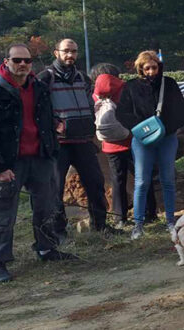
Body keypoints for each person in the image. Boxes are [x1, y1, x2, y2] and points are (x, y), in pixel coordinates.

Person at [0, 44, 75, 283]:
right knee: (3, 213)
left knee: (46, 207)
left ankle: (47, 248)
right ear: (6, 61)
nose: (22, 64)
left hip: (40, 158)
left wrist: (53, 136)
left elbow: (45, 119)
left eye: (27, 61)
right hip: (9, 162)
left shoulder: (40, 88)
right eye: (17, 60)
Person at [37, 38, 112, 238]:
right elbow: (37, 110)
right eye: (66, 51)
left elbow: (89, 104)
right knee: (56, 189)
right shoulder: (45, 78)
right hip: (59, 143)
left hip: (83, 140)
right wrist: (55, 125)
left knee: (96, 183)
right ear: (56, 53)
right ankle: (59, 231)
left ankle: (100, 225)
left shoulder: (82, 78)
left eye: (74, 51)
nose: (70, 55)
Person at [117, 51, 184, 239]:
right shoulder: (131, 87)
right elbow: (122, 112)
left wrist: (167, 128)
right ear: (140, 68)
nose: (151, 71)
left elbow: (181, 109)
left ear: (159, 66)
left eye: (154, 67)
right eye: (146, 68)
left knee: (168, 179)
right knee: (141, 181)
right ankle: (138, 224)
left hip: (167, 137)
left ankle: (171, 221)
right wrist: (139, 128)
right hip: (142, 139)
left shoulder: (169, 84)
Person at [92, 64, 156, 226]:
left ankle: (120, 217)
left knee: (117, 179)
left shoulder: (96, 93)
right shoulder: (126, 88)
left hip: (109, 142)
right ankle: (150, 213)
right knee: (142, 176)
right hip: (132, 138)